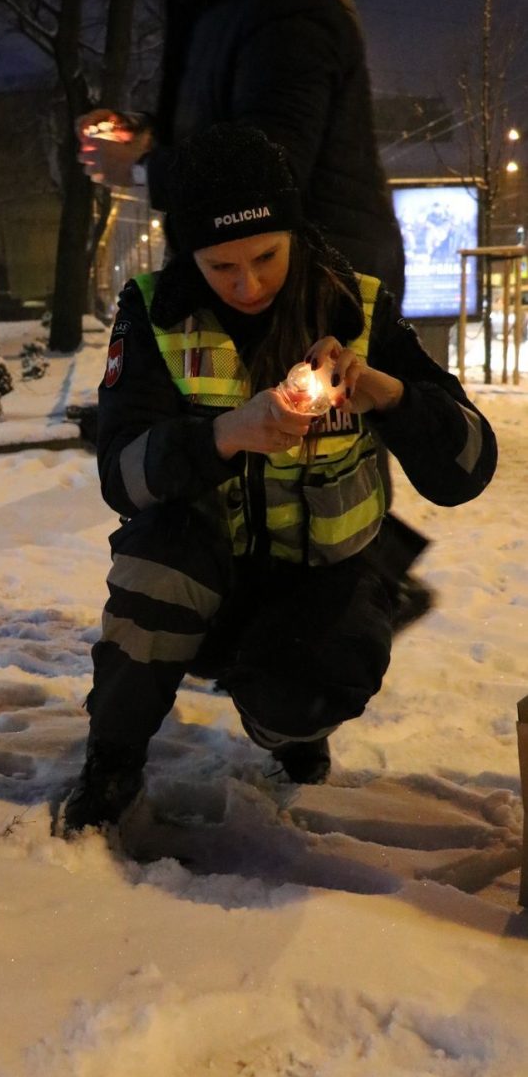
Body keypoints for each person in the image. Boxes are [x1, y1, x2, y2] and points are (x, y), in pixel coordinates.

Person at [61, 125, 496, 834]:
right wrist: (223, 435)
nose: (249, 283)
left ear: (295, 232)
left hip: (320, 578)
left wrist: (390, 395)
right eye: (221, 266)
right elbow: (120, 476)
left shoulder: (359, 306)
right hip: (203, 570)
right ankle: (112, 760)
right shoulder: (154, 313)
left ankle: (290, 721)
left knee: (297, 693)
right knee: (153, 574)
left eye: (266, 256)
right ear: (187, 254)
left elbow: (469, 469)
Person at [77, 0, 431, 627]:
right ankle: (287, 610)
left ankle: (349, 603)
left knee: (317, 442)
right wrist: (139, 135)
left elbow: (271, 158)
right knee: (261, 435)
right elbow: (214, 135)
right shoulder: (228, 4)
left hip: (320, 267)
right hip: (270, 258)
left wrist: (146, 169)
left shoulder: (289, 2)